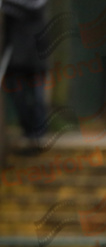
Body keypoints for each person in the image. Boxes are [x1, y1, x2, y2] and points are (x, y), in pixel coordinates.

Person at [1, 0, 49, 153]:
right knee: (18, 97)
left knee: (37, 98)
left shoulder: (36, 4)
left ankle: (39, 134)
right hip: (14, 58)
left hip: (36, 58)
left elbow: (31, 9)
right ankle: (29, 132)